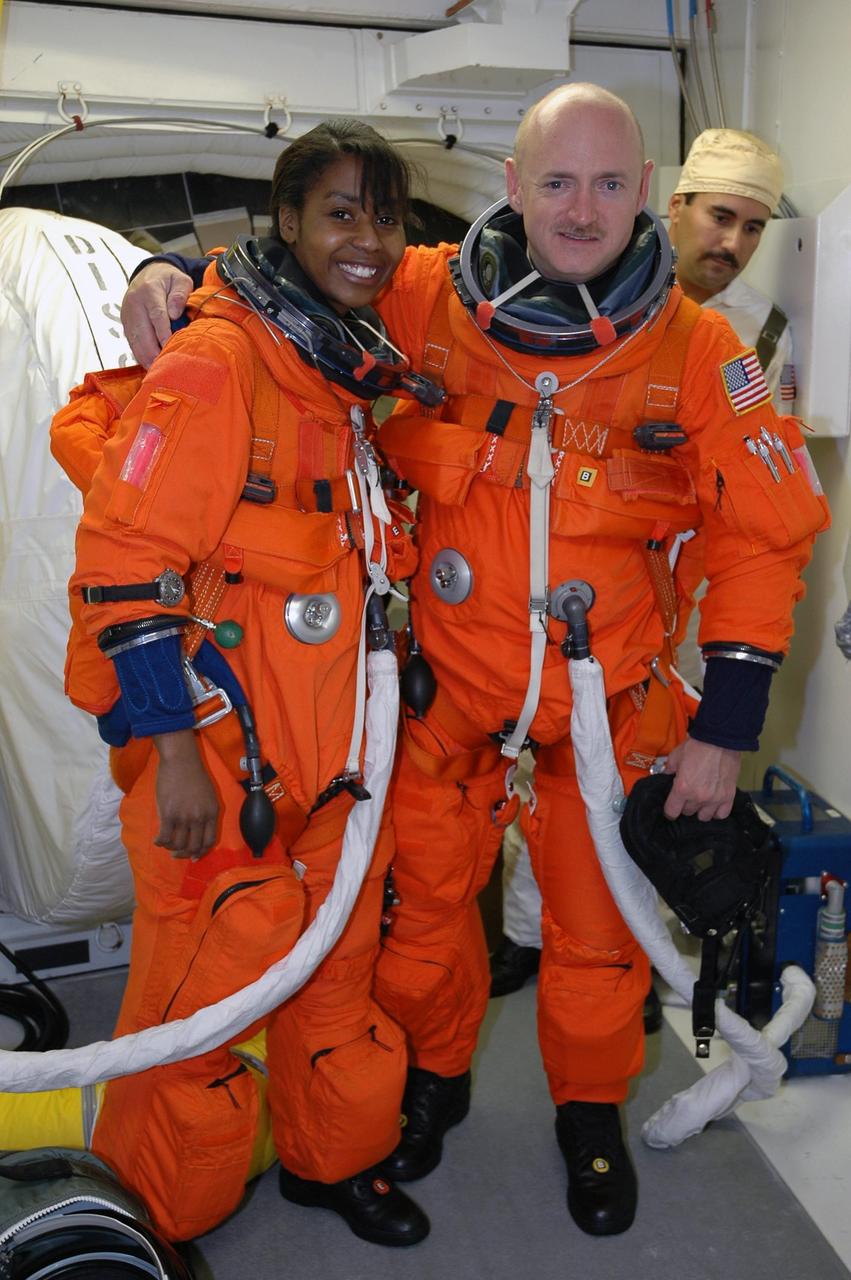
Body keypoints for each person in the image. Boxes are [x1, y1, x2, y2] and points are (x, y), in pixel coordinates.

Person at [122, 84, 827, 1238]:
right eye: (556, 181)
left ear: (643, 192)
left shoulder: (696, 353)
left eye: (607, 184)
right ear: (513, 185)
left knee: (597, 928)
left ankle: (588, 1115)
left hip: (605, 700)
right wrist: (161, 271)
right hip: (444, 690)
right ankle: (432, 1078)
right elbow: (289, 283)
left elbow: (764, 536)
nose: (580, 208)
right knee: (420, 913)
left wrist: (724, 726)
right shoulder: (424, 293)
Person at [59, 119, 436, 1249]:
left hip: (333, 759)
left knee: (337, 973)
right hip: (221, 761)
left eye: (385, 217)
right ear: (285, 221)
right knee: (199, 1003)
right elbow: (123, 563)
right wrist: (172, 751)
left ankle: (335, 1162)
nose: (366, 239)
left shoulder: (339, 372)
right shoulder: (218, 362)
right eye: (340, 212)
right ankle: (152, 1222)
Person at [494, 126, 796, 1013]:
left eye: (751, 228)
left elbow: (759, 510)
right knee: (541, 778)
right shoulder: (570, 300)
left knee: (634, 792)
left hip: (684, 608)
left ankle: (629, 949)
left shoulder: (748, 342)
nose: (730, 243)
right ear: (669, 205)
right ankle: (523, 935)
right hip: (573, 595)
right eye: (718, 217)